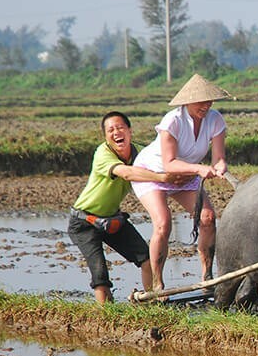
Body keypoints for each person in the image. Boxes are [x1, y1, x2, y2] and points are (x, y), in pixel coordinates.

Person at [68, 111, 193, 304]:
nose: (116, 132)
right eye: (111, 130)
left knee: (146, 259)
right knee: (100, 273)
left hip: (112, 219)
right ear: (106, 137)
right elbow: (126, 173)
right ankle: (106, 317)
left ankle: (151, 301)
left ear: (129, 131)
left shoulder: (142, 154)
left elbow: (164, 160)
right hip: (85, 221)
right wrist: (160, 178)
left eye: (120, 128)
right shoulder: (103, 154)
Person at [132, 74, 233, 292]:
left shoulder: (215, 120)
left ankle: (207, 275)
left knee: (208, 218)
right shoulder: (173, 121)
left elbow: (218, 157)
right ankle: (158, 284)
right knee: (163, 223)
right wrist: (199, 169)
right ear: (187, 101)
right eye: (200, 101)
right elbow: (169, 164)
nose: (206, 106)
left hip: (185, 176)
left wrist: (220, 166)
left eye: (209, 101)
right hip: (154, 174)